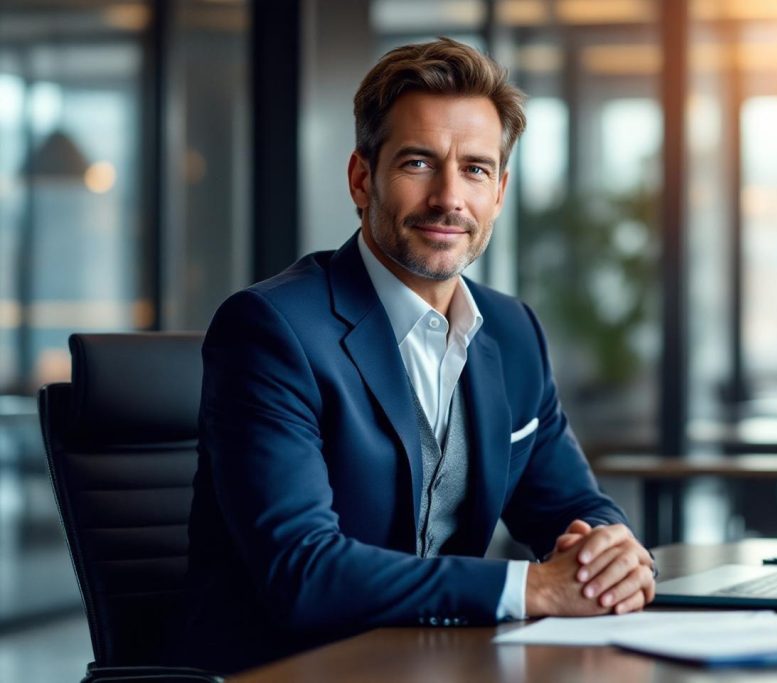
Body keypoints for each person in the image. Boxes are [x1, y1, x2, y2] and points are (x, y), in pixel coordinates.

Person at [175, 37, 655, 674]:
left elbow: (574, 505)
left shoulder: (512, 331)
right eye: (419, 163)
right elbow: (303, 570)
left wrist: (614, 554)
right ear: (361, 178)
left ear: (500, 192)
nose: (449, 198)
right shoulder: (272, 330)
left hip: (444, 665)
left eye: (476, 170)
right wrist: (530, 587)